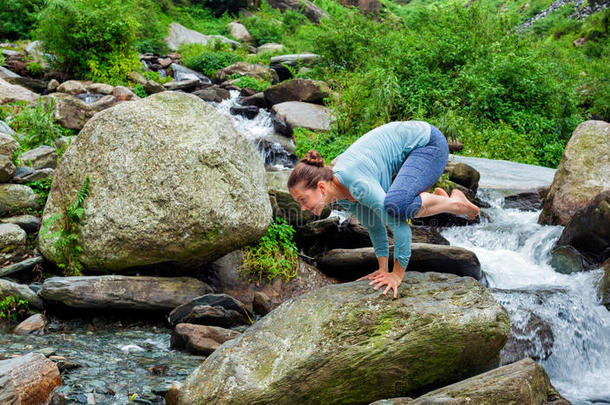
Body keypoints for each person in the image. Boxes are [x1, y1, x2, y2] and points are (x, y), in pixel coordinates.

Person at [287, 121, 480, 298]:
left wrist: (396, 275)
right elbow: (375, 226)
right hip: (411, 151)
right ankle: (441, 199)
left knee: (397, 206)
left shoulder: (357, 184)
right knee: (393, 208)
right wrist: (383, 269)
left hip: (429, 144)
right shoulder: (341, 195)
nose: (303, 207)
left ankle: (454, 203)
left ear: (321, 187)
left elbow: (402, 230)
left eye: (303, 199)